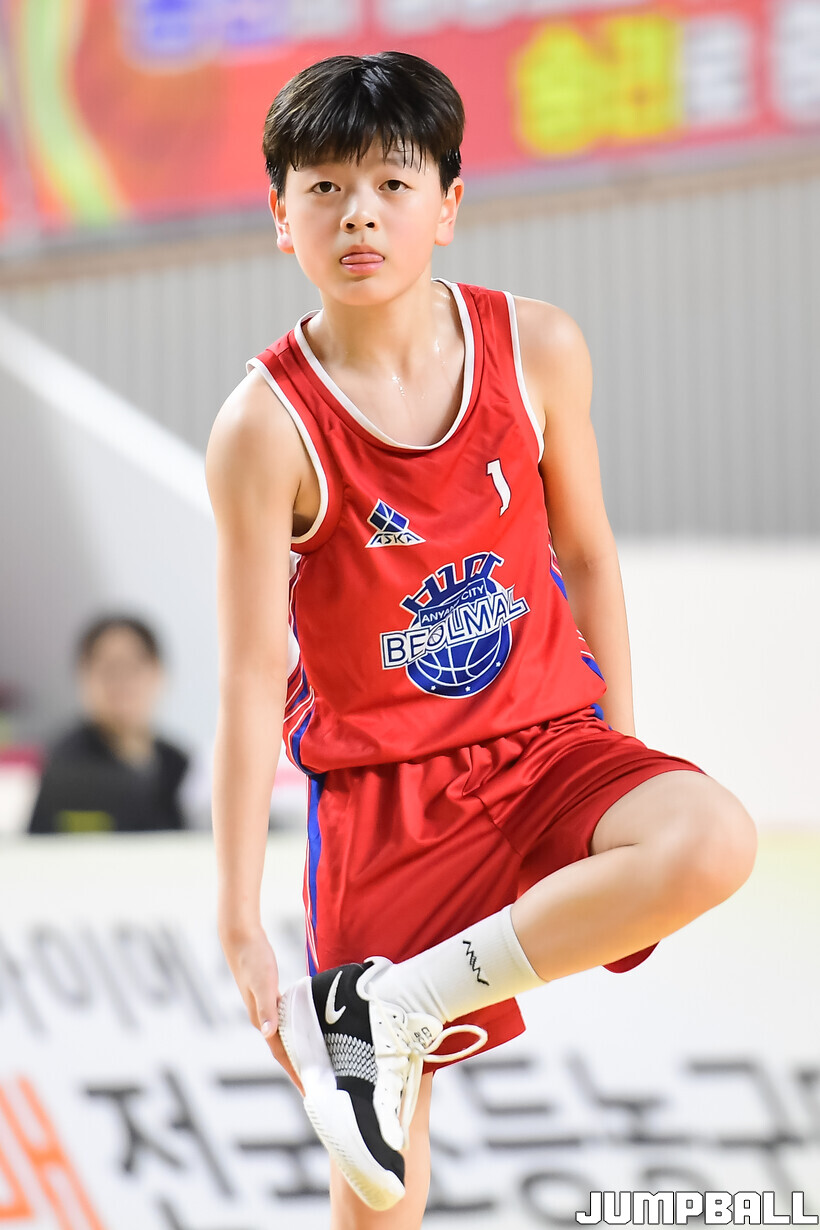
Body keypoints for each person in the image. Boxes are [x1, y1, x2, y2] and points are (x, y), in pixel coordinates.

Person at [205, 52, 758, 1228]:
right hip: (386, 799)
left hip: (544, 747)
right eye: (324, 188)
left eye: (392, 184)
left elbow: (589, 556)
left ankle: (391, 1010)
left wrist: (618, 746)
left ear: (448, 206)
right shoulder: (263, 427)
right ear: (280, 217)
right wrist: (237, 915)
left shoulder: (538, 348)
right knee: (379, 1194)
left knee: (709, 838)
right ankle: (377, 1021)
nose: (359, 214)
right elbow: (250, 677)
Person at [29, 614, 190, 833]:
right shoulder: (62, 769)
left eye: (132, 666)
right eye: (108, 667)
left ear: (158, 673)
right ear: (83, 676)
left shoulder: (179, 766)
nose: (121, 680)